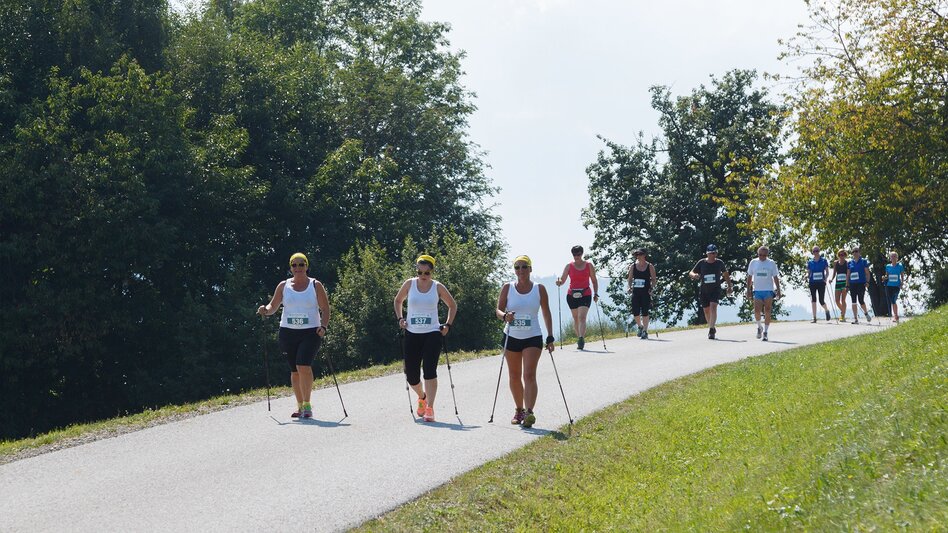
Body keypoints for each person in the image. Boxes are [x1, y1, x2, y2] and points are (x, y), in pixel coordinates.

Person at [257, 253, 330, 419]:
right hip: (288, 332)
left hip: (311, 331)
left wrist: (323, 326)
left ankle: (307, 405)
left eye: (301, 264)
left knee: (303, 365)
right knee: (294, 370)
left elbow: (325, 309)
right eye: (294, 265)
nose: (298, 268)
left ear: (307, 266)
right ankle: (299, 406)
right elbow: (273, 306)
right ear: (290, 268)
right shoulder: (284, 286)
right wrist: (265, 310)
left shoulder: (315, 285)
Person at [393, 254, 458, 423]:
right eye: (420, 272)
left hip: (432, 333)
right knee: (411, 375)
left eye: (426, 273)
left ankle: (430, 407)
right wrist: (400, 318)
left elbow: (452, 305)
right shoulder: (409, 284)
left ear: (432, 272)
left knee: (430, 371)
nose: (423, 276)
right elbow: (398, 300)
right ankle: (422, 396)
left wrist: (447, 325)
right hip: (412, 333)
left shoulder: (437, 287)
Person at [497, 255, 555, 428]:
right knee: (514, 375)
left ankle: (529, 412)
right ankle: (519, 410)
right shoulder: (507, 287)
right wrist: (505, 316)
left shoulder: (539, 289)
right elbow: (498, 310)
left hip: (532, 336)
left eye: (524, 267)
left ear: (531, 269)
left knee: (529, 374)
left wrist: (550, 336)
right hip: (511, 336)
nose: (520, 271)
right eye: (517, 267)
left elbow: (546, 312)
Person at [555, 245, 599, 350]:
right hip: (572, 295)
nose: (576, 257)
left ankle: (581, 338)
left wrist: (596, 293)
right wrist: (559, 282)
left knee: (582, 317)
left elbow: (594, 280)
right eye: (574, 255)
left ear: (582, 254)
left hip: (585, 294)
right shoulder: (569, 266)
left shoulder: (589, 265)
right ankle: (579, 336)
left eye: (578, 254)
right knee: (575, 318)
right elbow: (563, 279)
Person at [689, 244, 733, 340]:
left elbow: (726, 275)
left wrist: (730, 286)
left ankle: (711, 330)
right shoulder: (701, 262)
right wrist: (695, 275)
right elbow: (691, 272)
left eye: (714, 253)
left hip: (715, 289)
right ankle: (711, 326)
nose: (713, 255)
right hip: (704, 290)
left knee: (713, 307)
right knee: (706, 310)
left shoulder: (719, 263)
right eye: (711, 253)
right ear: (707, 254)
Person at [746, 246, 782, 342]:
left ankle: (765, 332)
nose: (762, 257)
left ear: (767, 255)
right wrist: (748, 290)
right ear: (758, 254)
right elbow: (749, 277)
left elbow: (775, 277)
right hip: (757, 290)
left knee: (767, 310)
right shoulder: (753, 262)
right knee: (757, 311)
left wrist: (778, 290)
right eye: (760, 255)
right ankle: (759, 327)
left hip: (768, 290)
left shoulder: (771, 263)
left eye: (764, 255)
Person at [626, 248, 657, 339]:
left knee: (645, 311)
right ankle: (640, 326)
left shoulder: (650, 266)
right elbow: (630, 278)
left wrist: (652, 288)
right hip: (636, 291)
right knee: (635, 311)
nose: (638, 256)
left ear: (644, 255)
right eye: (636, 255)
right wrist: (629, 287)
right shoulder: (633, 266)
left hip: (646, 292)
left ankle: (645, 331)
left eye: (639, 254)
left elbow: (654, 279)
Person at [846, 247, 872, 324]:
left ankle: (866, 313)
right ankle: (855, 319)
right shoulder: (850, 263)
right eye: (853, 252)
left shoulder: (863, 261)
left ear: (859, 252)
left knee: (861, 300)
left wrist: (867, 282)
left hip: (861, 283)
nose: (855, 253)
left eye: (856, 251)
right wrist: (847, 285)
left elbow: (867, 273)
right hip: (852, 284)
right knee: (853, 301)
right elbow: (848, 275)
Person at [807, 246, 832, 323]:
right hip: (812, 282)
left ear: (819, 251)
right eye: (814, 251)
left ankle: (827, 310)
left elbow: (827, 272)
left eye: (817, 251)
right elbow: (808, 272)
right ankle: (814, 317)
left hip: (821, 282)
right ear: (812, 252)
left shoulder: (824, 261)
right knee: (813, 299)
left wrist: (826, 279)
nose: (816, 252)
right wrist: (806, 276)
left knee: (821, 300)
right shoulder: (810, 262)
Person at [884, 251, 905, 323]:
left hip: (896, 286)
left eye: (894, 256)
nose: (893, 258)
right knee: (892, 301)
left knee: (893, 300)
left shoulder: (900, 266)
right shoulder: (888, 266)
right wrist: (884, 277)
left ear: (897, 258)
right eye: (892, 256)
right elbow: (887, 275)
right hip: (889, 285)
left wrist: (902, 283)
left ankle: (895, 316)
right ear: (890, 258)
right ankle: (895, 316)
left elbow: (902, 275)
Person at [831, 249, 850, 322]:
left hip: (844, 282)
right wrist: (831, 279)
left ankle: (842, 315)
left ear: (845, 255)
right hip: (838, 282)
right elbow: (834, 272)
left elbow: (848, 273)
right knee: (837, 300)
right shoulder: (836, 263)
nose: (841, 256)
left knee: (843, 299)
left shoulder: (847, 263)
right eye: (840, 255)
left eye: (843, 255)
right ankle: (843, 311)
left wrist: (847, 284)